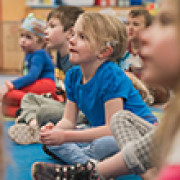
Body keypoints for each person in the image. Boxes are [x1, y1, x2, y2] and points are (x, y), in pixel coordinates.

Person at [31, 0, 180, 179]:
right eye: (73, 34)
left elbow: (111, 129)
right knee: (54, 142)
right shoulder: (72, 76)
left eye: (82, 37)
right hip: (101, 133)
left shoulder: (110, 74)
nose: (71, 40)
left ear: (104, 52)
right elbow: (68, 121)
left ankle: (89, 165)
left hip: (134, 136)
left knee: (103, 144)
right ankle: (91, 165)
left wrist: (66, 136)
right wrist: (56, 132)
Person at [7, 6, 85, 145]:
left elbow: (81, 101)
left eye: (52, 26)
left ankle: (36, 125)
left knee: (44, 111)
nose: (45, 31)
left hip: (79, 112)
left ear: (70, 32)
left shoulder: (76, 61)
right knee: (28, 99)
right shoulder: (60, 58)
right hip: (65, 105)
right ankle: (34, 126)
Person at [0, 13, 56, 117]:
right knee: (5, 108)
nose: (23, 40)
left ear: (41, 42)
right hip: (39, 85)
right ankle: (24, 111)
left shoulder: (39, 54)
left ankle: (40, 104)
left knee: (8, 95)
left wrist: (12, 85)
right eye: (22, 36)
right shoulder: (30, 54)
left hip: (46, 85)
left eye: (28, 37)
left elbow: (32, 76)